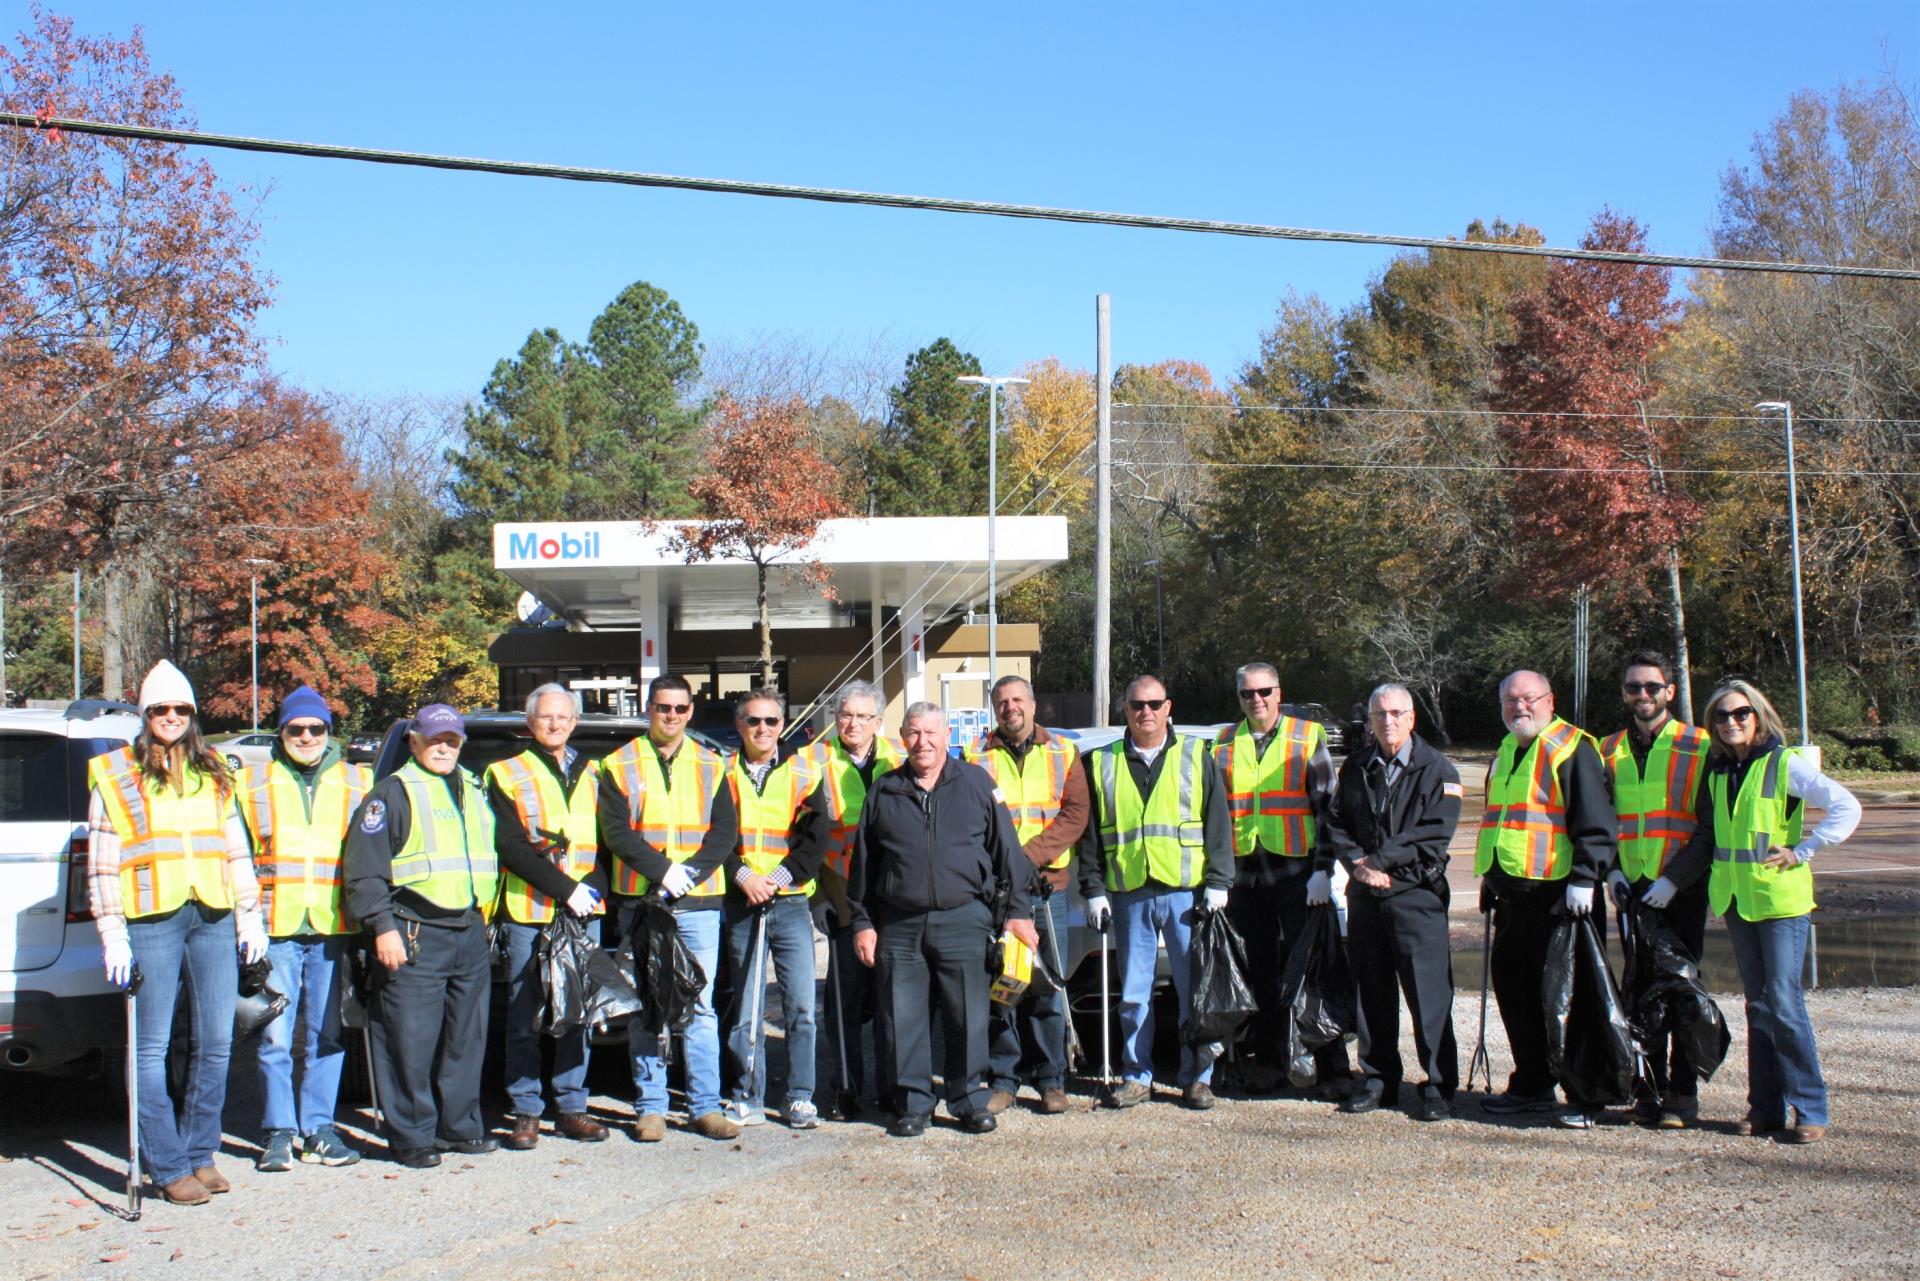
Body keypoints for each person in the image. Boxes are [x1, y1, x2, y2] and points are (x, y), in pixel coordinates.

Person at [88, 661, 265, 1205]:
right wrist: (112, 933)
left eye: (180, 709)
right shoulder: (115, 775)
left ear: (192, 715)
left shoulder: (215, 771)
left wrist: (249, 914)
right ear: (145, 715)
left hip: (210, 914)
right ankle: (165, 1164)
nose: (170, 717)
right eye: (160, 709)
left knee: (215, 1042)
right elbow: (100, 862)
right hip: (151, 919)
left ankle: (199, 1152)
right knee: (150, 1048)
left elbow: (235, 849)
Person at [1654, 680, 1860, 1144]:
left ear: (1759, 715)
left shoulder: (1782, 764)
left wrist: (1804, 850)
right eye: (1722, 717)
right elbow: (1710, 837)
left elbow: (1846, 807)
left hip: (1780, 902)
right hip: (1736, 901)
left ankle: (1809, 1107)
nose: (1731, 722)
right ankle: (1764, 1108)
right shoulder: (1719, 771)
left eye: (1740, 713)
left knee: (1785, 1003)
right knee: (1759, 1005)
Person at [847, 702, 1039, 1137]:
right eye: (914, 733)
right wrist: (863, 921)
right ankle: (913, 1102)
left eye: (931, 732)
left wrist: (1017, 914)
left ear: (946, 734)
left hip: (964, 918)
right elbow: (864, 864)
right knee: (902, 1015)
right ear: (901, 736)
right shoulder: (885, 790)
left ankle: (968, 1099)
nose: (923, 742)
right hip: (899, 922)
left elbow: (1007, 854)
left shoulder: (976, 784)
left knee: (968, 1013)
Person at [344, 703, 499, 1169]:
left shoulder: (474, 788)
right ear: (414, 741)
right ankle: (411, 1136)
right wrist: (382, 928)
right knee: (408, 1041)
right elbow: (364, 872)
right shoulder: (391, 794)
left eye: (452, 741)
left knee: (465, 1039)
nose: (444, 748)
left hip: (470, 929)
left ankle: (459, 1127)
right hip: (412, 931)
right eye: (435, 740)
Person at [1078, 675, 1234, 1111]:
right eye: (1136, 704)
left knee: (1193, 992)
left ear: (1169, 707)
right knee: (1133, 993)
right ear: (1124, 709)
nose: (1145, 711)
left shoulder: (1195, 756)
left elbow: (1217, 823)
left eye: (1153, 703)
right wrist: (1093, 889)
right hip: (1128, 893)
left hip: (1186, 895)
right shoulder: (1101, 761)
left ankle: (1197, 1078)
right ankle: (1136, 1076)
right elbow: (1089, 836)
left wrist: (1219, 881)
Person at [598, 674, 739, 1141]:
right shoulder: (618, 764)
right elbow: (615, 833)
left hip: (698, 902)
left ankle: (705, 1106)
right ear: (648, 708)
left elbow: (724, 833)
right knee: (646, 1006)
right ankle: (651, 1108)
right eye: (663, 708)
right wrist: (662, 871)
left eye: (680, 709)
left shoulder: (712, 762)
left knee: (700, 1005)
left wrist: (691, 873)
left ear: (690, 711)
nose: (671, 716)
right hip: (643, 901)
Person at [1475, 670, 1617, 1129]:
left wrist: (1586, 876)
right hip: (1515, 895)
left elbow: (1595, 820)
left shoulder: (1573, 747)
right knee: (1516, 991)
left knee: (1572, 997)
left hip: (1562, 896)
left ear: (1549, 701)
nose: (1519, 707)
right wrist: (1490, 877)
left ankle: (1585, 1093)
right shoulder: (1507, 749)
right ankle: (1534, 1083)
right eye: (1510, 701)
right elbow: (1501, 820)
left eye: (1528, 699)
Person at [237, 684, 370, 1172]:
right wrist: (244, 922)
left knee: (325, 1032)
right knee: (274, 1034)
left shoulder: (358, 782)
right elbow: (239, 856)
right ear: (282, 732)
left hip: (335, 925)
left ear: (329, 733)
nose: (307, 736)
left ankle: (319, 1128)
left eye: (316, 728)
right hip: (276, 925)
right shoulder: (252, 784)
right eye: (297, 728)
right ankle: (278, 1131)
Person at [1321, 683, 1462, 1121]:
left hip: (1415, 895)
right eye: (1380, 715)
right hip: (1366, 895)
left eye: (1397, 713)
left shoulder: (1439, 770)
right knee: (1372, 995)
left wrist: (1378, 860)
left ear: (1412, 718)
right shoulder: (1357, 767)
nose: (1388, 722)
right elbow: (1335, 821)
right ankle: (1379, 1080)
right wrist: (1358, 862)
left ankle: (1439, 1086)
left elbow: (1432, 833)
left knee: (1429, 996)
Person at [1211, 663, 1350, 1096]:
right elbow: (1216, 815)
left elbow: (1329, 809)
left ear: (1278, 692)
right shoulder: (1223, 743)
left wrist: (1323, 871)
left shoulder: (1307, 736)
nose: (1257, 700)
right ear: (1239, 698)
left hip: (1297, 874)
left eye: (1264, 691)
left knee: (1310, 971)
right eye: (1248, 693)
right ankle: (1271, 1063)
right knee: (1261, 974)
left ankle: (1333, 1068)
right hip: (1245, 878)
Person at [484, 684, 609, 1151]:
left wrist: (590, 889)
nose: (554, 724)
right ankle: (526, 1111)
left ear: (575, 721)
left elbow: (606, 840)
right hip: (529, 913)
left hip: (583, 913)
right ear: (529, 721)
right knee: (525, 1014)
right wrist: (567, 890)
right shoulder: (505, 772)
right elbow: (510, 846)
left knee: (576, 1012)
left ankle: (573, 1107)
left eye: (563, 717)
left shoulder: (595, 773)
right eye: (545, 717)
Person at [966, 675, 1089, 1116]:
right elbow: (970, 820)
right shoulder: (973, 755)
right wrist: (1006, 867)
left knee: (1047, 987)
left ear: (1034, 706)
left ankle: (1051, 1080)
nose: (1010, 707)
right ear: (993, 709)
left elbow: (1075, 815)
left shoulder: (1063, 752)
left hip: (1045, 889)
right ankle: (1003, 1080)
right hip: (995, 894)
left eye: (1018, 699)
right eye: (1002, 701)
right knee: (1002, 987)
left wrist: (1027, 858)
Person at [1598, 650, 1710, 1128]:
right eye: (1633, 688)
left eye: (1651, 687)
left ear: (1669, 691)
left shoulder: (1699, 744)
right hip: (1633, 886)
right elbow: (1601, 821)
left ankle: (1683, 1094)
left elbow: (1710, 827)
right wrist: (1612, 872)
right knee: (1640, 986)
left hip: (1680, 886)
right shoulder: (1608, 749)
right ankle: (1648, 1088)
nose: (1642, 695)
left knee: (1682, 988)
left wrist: (1675, 879)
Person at [720, 689, 826, 1130]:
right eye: (752, 721)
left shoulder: (805, 771)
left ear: (782, 724)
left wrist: (778, 879)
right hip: (742, 902)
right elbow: (714, 838)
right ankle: (748, 1093)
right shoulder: (720, 773)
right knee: (746, 1009)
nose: (762, 729)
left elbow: (815, 839)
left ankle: (800, 1095)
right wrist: (745, 877)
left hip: (790, 903)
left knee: (801, 1005)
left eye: (770, 721)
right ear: (739, 725)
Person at [798, 679, 901, 1119]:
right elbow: (799, 838)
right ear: (834, 718)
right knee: (844, 1005)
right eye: (845, 715)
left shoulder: (899, 759)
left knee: (892, 1004)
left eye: (862, 716)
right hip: (840, 895)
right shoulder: (809, 763)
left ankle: (892, 1090)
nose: (852, 723)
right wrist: (816, 896)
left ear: (878, 721)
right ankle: (847, 1089)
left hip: (892, 898)